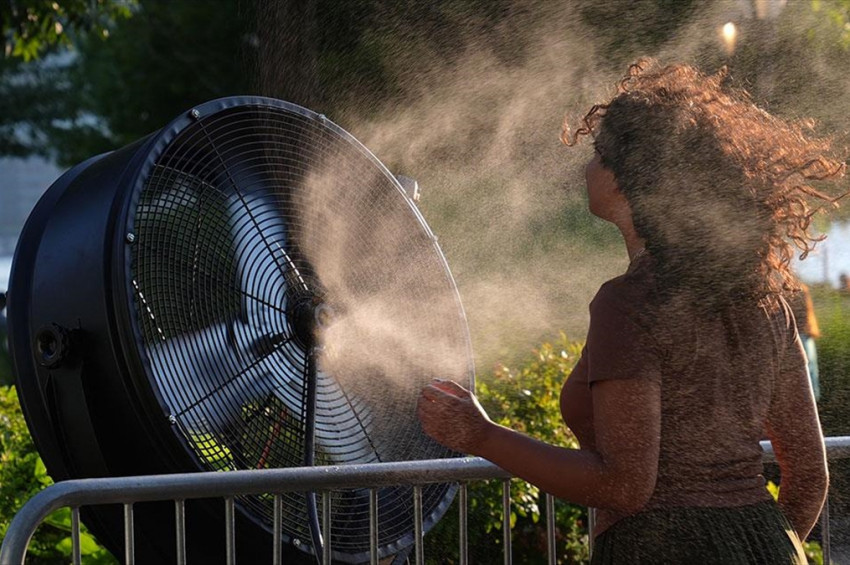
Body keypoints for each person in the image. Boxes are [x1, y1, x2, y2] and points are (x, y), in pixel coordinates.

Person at [417, 59, 846, 563]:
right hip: (768, 546)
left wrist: (481, 434)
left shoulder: (630, 302)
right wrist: (758, 548)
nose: (587, 167)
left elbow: (624, 487)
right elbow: (810, 476)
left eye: (599, 154)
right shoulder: (767, 302)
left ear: (630, 180)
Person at [788, 283, 821, 401]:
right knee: (810, 371)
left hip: (801, 334)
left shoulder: (796, 289)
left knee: (806, 370)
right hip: (805, 333)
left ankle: (808, 400)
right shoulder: (801, 289)